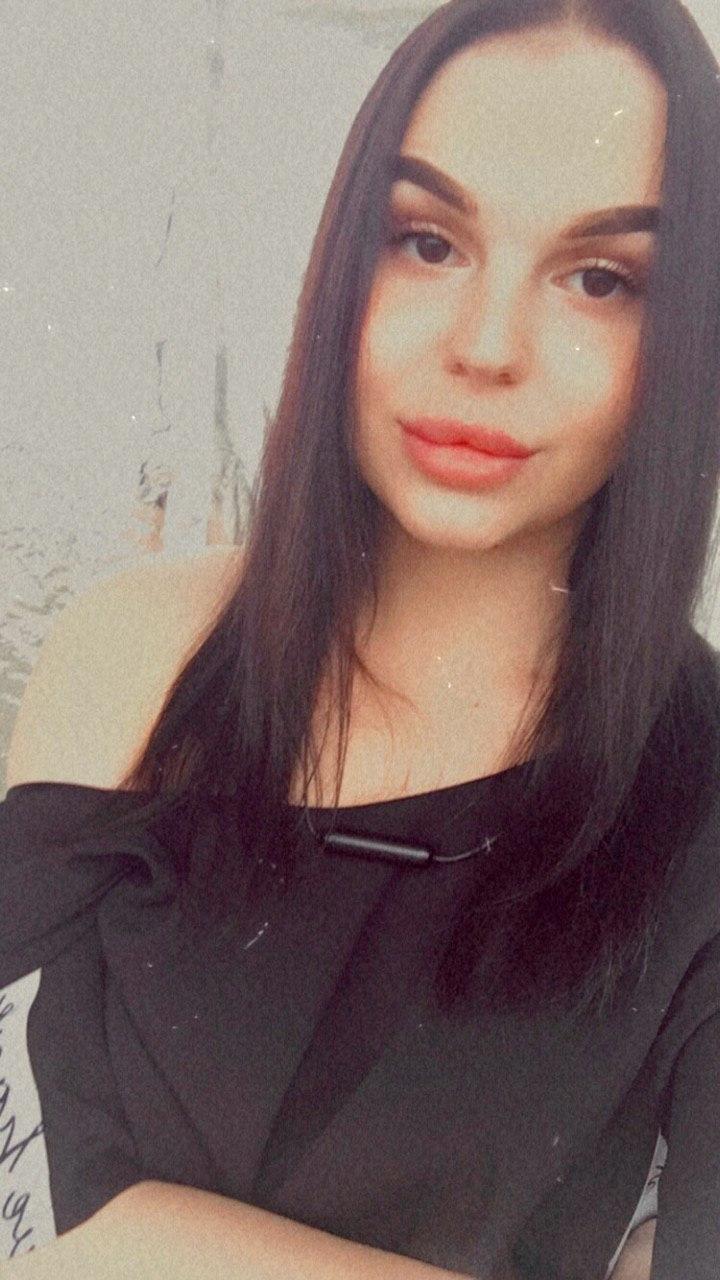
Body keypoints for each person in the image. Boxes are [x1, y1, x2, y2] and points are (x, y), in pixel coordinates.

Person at [2, 0, 720, 1276]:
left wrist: (154, 1244)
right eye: (428, 241)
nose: (486, 347)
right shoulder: (135, 652)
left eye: (601, 278)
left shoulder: (703, 795)